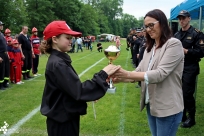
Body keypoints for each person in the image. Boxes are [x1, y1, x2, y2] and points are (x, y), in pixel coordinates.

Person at [40, 20, 120, 136]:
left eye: (71, 38)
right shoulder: (58, 63)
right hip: (62, 121)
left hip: (64, 117)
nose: (71, 41)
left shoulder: (59, 60)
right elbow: (79, 91)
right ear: (54, 39)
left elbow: (70, 89)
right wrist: (103, 74)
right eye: (67, 38)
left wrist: (96, 88)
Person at [113, 9, 184, 136]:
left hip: (168, 108)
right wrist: (118, 77)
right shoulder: (149, 48)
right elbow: (138, 72)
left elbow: (159, 74)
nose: (148, 29)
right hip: (152, 105)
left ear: (162, 23)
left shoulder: (173, 44)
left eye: (151, 25)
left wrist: (127, 74)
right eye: (146, 27)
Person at [174, 10, 203, 128]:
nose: (181, 21)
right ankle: (182, 115)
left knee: (187, 93)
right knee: (178, 92)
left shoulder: (197, 34)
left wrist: (186, 51)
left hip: (190, 67)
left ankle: (192, 118)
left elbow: (201, 51)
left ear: (189, 18)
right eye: (180, 18)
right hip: (177, 67)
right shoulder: (176, 35)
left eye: (184, 18)